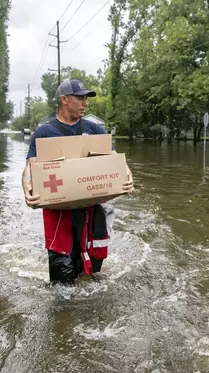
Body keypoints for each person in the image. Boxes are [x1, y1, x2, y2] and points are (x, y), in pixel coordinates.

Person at [22, 79, 134, 284]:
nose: (85, 103)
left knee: (92, 270)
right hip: (58, 210)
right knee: (62, 273)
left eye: (86, 98)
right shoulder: (44, 133)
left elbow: (114, 157)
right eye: (80, 98)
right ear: (64, 100)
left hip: (91, 207)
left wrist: (127, 174)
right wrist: (28, 189)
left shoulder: (94, 130)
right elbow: (30, 166)